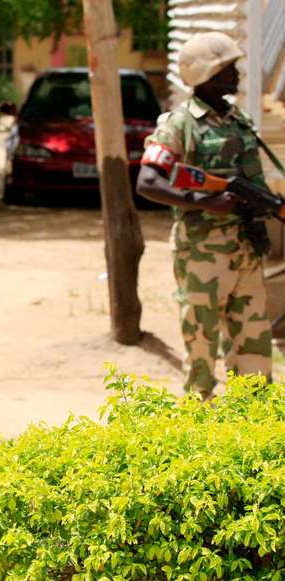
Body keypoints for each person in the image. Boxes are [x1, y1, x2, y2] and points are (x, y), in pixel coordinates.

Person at [136, 32, 273, 400]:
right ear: (208, 75)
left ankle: (252, 433)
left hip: (245, 248)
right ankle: (200, 431)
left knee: (255, 354)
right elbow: (147, 182)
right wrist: (204, 201)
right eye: (229, 68)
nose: (238, 74)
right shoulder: (179, 124)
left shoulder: (237, 120)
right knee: (201, 352)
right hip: (203, 254)